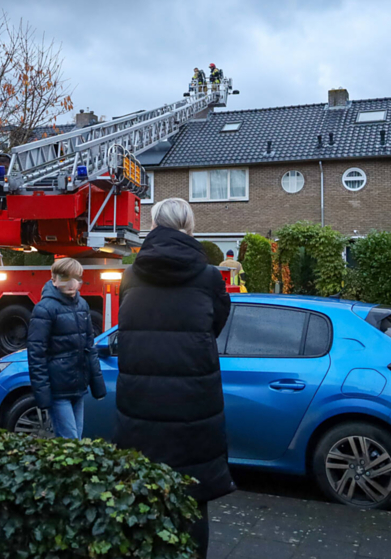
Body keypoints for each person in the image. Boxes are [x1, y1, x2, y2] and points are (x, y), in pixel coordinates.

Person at [113, 197, 233, 558]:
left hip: (140, 406)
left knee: (144, 496)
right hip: (193, 407)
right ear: (189, 226)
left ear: (154, 224)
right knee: (193, 502)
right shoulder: (209, 277)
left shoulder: (130, 275)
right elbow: (215, 326)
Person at [27, 257, 106, 439]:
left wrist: (97, 387)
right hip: (58, 390)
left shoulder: (82, 305)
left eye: (76, 279)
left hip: (78, 387)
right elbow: (36, 354)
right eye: (65, 278)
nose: (72, 284)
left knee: (74, 440)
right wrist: (43, 396)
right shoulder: (44, 309)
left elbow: (89, 348)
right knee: (70, 440)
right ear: (54, 279)